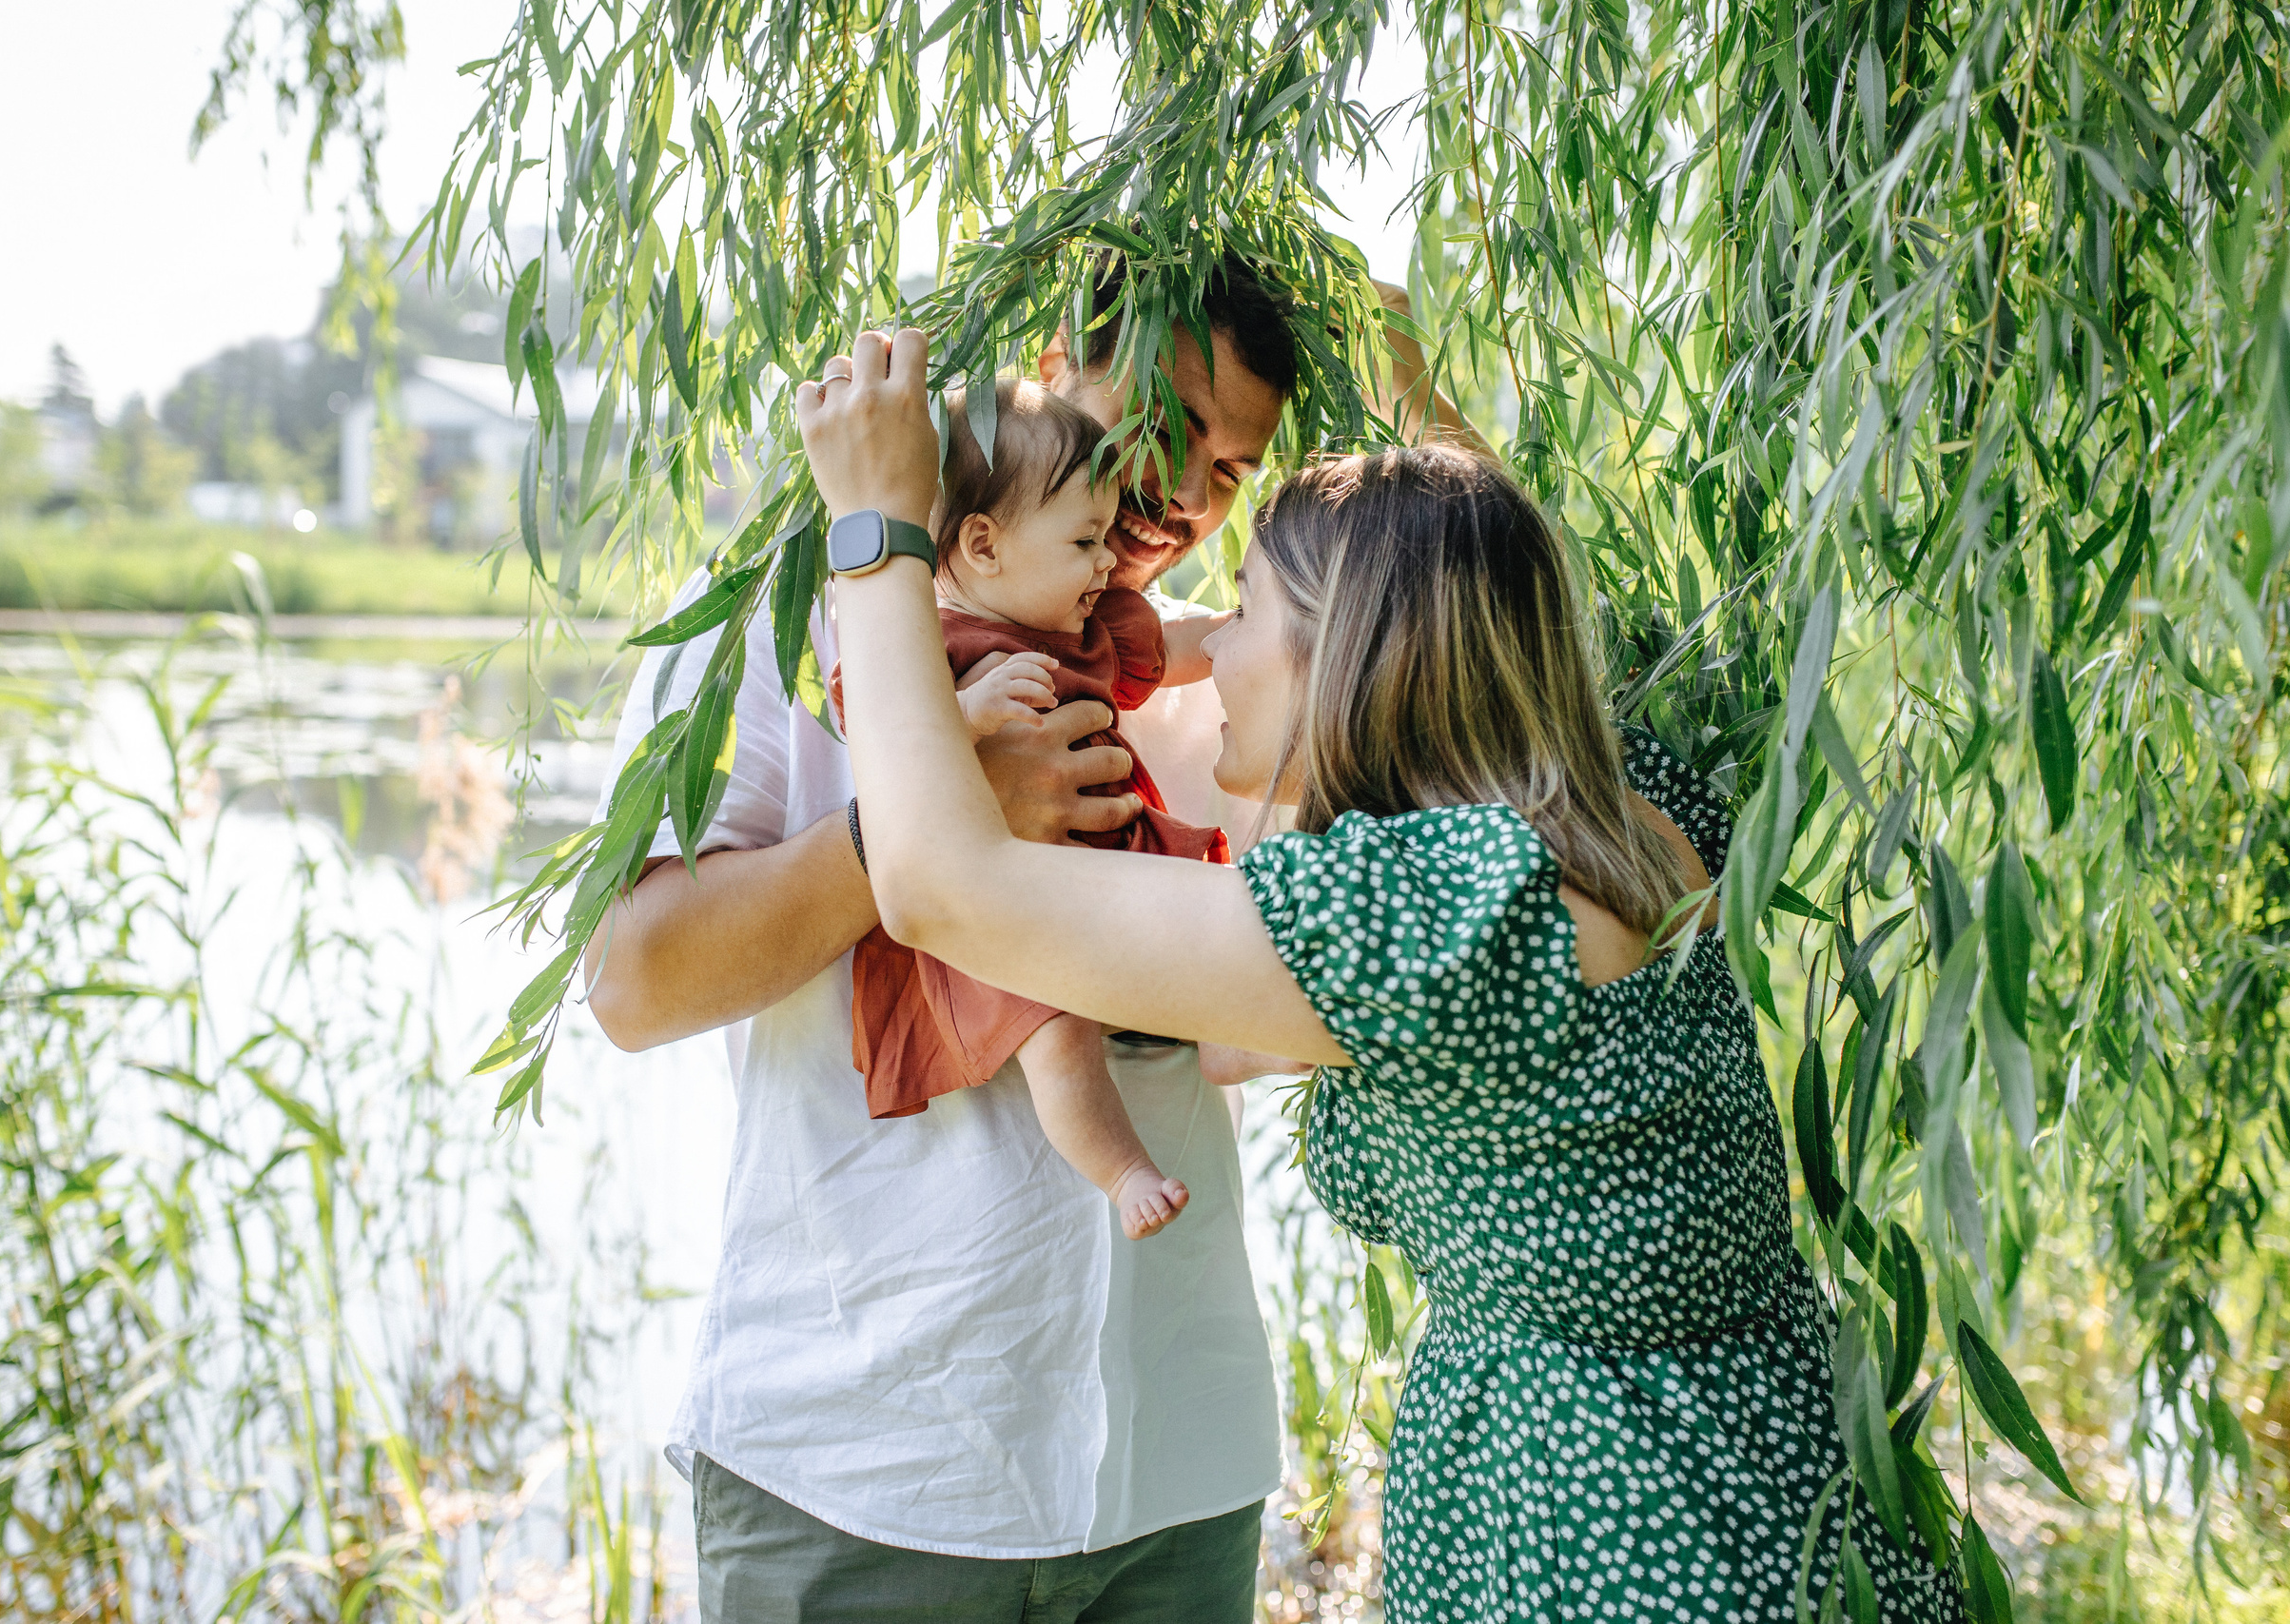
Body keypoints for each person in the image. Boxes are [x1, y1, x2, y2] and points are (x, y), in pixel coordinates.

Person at [800, 326, 1968, 1622]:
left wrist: (878, 532)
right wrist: (1415, 398)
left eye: (1248, 612)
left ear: (1351, 653)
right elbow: (1515, 602)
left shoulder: (1435, 917)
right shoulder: (1618, 806)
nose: (1210, 646)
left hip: (1604, 1532)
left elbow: (938, 887)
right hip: (1767, 1480)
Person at [584, 251, 1319, 1620]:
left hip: (1180, 1463)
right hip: (869, 1469)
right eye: (1168, 416)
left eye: (1231, 464)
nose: (1186, 490)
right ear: (1050, 355)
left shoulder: (1238, 668)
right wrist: (927, 821)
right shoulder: (790, 612)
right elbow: (634, 979)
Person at [838, 380, 1226, 1242]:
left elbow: (1177, 650)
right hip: (1002, 908)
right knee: (1059, 1035)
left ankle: (1231, 1034)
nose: (1106, 562)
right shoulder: (927, 642)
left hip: (1100, 879)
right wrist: (967, 715)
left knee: (1202, 944)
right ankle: (1123, 1172)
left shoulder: (1088, 625)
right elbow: (875, 725)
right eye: (1086, 540)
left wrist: (1254, 631)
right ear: (983, 544)